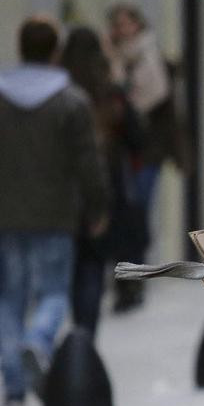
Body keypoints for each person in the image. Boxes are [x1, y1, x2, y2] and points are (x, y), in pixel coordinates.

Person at [0, 16, 109, 406]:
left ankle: (13, 384)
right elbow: (88, 162)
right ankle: (38, 340)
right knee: (52, 293)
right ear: (55, 52)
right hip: (55, 215)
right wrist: (98, 206)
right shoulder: (71, 101)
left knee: (8, 298)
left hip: (5, 216)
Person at [60, 25, 143, 336]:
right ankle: (85, 335)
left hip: (64, 189)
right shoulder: (110, 90)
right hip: (106, 187)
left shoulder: (61, 89)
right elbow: (138, 136)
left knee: (71, 265)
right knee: (93, 267)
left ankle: (73, 333)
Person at [106, 2, 180, 311]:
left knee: (137, 211)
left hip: (146, 150)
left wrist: (126, 95)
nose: (122, 29)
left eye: (126, 23)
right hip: (124, 151)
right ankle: (127, 279)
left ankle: (134, 278)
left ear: (137, 24)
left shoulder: (146, 52)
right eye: (117, 24)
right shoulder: (116, 57)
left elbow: (155, 95)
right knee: (126, 214)